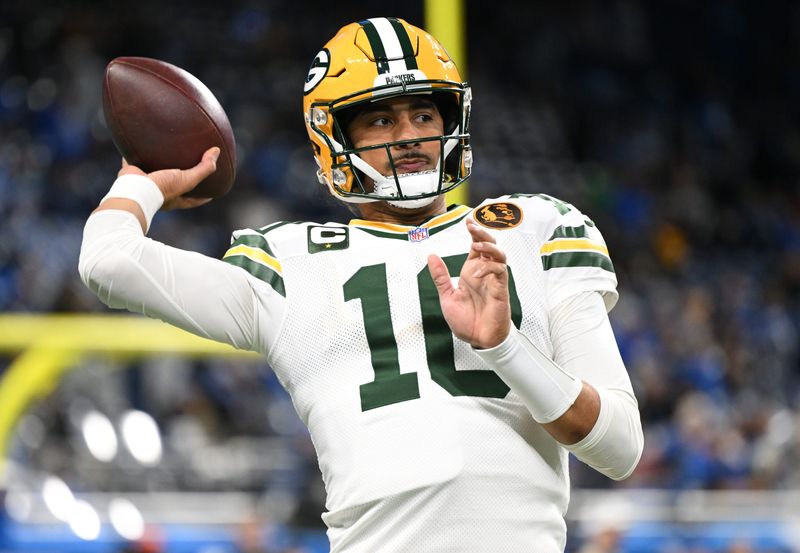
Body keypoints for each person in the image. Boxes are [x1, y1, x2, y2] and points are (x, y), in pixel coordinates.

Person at [80, 17, 644, 553]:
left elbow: (619, 448)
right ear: (332, 137)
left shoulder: (534, 228)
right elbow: (108, 261)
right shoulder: (286, 260)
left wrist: (505, 347)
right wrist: (144, 178)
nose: (409, 137)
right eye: (380, 120)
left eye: (425, 115)